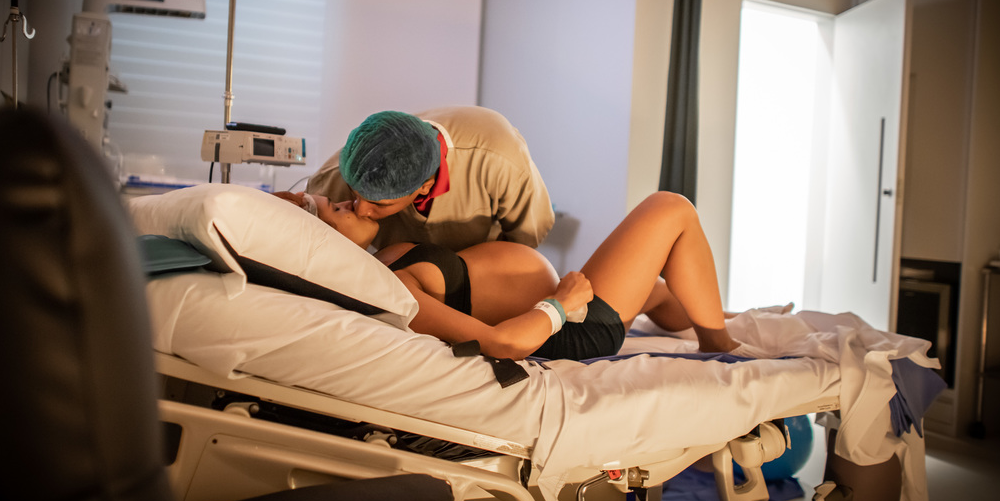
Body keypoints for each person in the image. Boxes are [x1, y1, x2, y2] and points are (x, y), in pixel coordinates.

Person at [280, 189, 739, 362]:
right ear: (324, 242)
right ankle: (719, 346)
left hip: (570, 307)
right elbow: (501, 344)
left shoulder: (384, 257)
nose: (347, 200)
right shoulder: (390, 290)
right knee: (670, 208)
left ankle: (725, 318)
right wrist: (560, 304)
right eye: (334, 210)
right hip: (571, 331)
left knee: (657, 292)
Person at [306, 107, 555, 252]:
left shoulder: (498, 157)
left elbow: (526, 238)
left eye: (379, 203)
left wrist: (478, 276)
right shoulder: (334, 180)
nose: (359, 209)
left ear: (425, 186)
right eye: (354, 194)